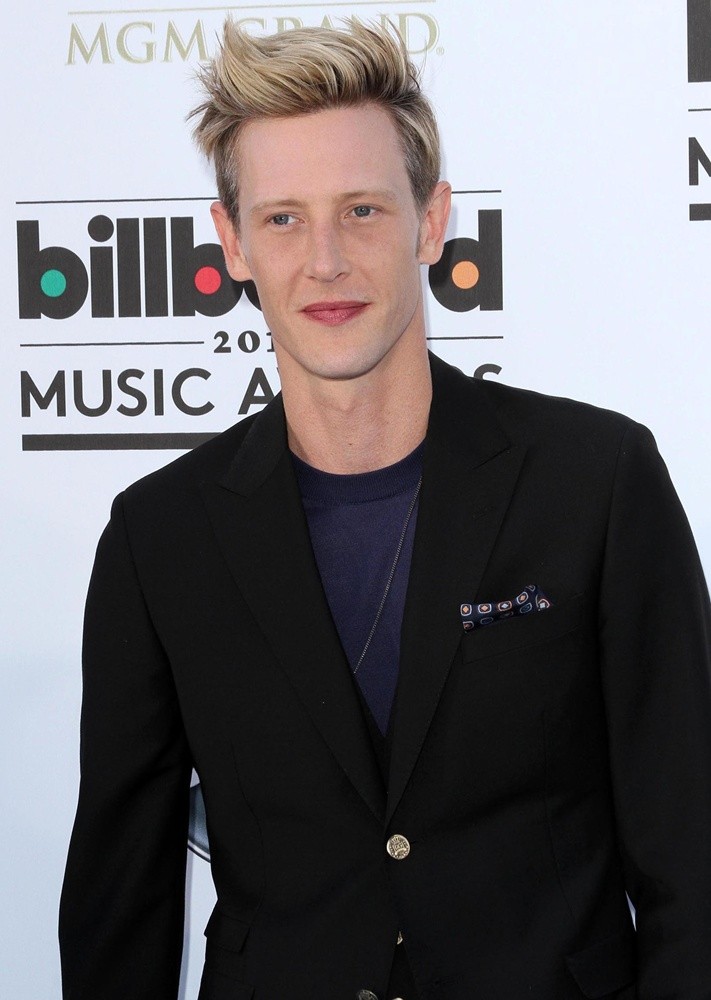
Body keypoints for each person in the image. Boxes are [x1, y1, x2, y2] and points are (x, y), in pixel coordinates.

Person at [59, 20, 711, 1000]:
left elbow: (692, 854)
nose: (325, 259)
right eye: (282, 219)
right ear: (231, 242)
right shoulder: (162, 539)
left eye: (361, 209)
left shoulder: (597, 483)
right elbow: (122, 903)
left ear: (431, 220)